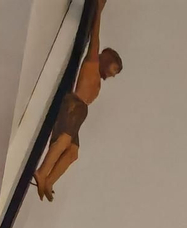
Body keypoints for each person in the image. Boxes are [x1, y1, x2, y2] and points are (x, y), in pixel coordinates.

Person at [32, 0, 122, 200]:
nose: (112, 75)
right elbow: (95, 35)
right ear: (106, 60)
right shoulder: (92, 62)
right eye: (114, 69)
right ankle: (42, 171)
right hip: (74, 105)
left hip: (80, 112)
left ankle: (49, 181)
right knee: (63, 141)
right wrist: (98, 9)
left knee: (72, 152)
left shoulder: (97, 78)